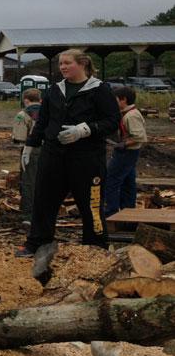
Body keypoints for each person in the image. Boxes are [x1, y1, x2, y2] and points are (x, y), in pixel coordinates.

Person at [17, 49, 120, 260]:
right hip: (53, 155)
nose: (62, 67)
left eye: (67, 63)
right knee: (44, 200)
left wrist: (85, 130)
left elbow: (112, 121)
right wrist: (30, 145)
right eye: (60, 64)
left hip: (87, 158)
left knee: (91, 203)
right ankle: (37, 243)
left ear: (82, 64)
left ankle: (95, 246)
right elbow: (43, 121)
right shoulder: (55, 90)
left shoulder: (99, 89)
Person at [104, 86, 147, 217]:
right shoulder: (127, 114)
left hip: (127, 153)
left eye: (115, 99)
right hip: (128, 152)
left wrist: (124, 144)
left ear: (124, 100)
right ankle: (128, 210)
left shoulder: (132, 115)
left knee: (111, 180)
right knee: (128, 182)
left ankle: (111, 211)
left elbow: (140, 136)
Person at [12, 88, 43, 224]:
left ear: (26, 100)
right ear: (40, 100)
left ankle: (28, 215)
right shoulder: (46, 112)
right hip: (47, 150)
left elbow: (19, 137)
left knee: (28, 182)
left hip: (30, 150)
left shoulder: (22, 115)